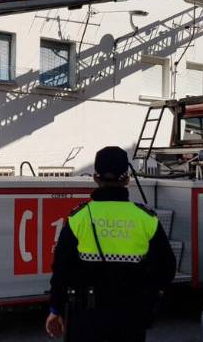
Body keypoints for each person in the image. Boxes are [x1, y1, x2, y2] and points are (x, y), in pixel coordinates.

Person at [45, 146, 177, 342]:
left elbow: (61, 269)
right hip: (130, 320)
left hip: (85, 320)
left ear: (95, 178)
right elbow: (166, 269)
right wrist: (148, 300)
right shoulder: (145, 219)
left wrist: (55, 309)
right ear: (127, 179)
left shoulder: (78, 218)